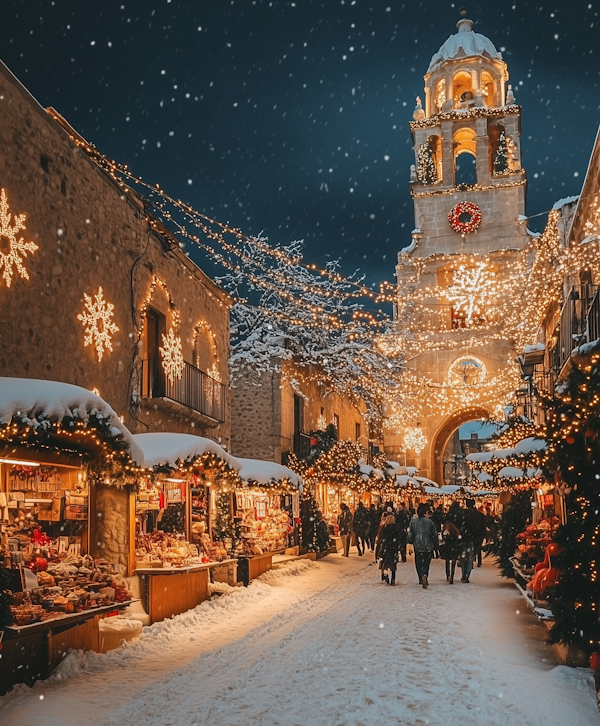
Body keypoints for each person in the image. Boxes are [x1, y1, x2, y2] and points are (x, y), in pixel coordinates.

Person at [407, 503, 438, 588]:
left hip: (418, 545)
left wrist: (410, 542)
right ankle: (425, 574)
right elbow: (434, 535)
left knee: (418, 562)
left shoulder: (413, 522)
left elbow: (410, 534)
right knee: (426, 563)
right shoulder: (430, 522)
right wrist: (436, 545)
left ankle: (421, 577)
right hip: (428, 545)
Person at [460, 498, 486, 580]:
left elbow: (459, 524)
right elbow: (483, 526)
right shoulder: (479, 515)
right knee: (470, 556)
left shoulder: (462, 514)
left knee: (463, 556)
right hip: (475, 538)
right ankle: (467, 574)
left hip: (464, 538)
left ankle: (464, 573)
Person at [377, 513, 400, 585]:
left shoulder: (383, 528)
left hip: (385, 547)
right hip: (393, 548)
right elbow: (399, 538)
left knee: (384, 562)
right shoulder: (396, 528)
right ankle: (393, 579)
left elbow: (379, 537)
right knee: (393, 564)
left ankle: (385, 575)